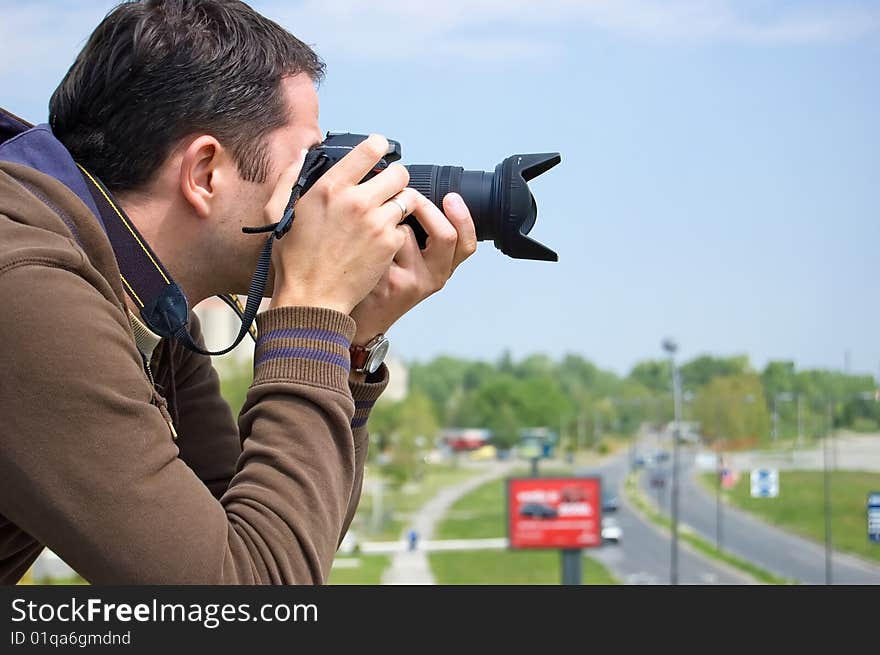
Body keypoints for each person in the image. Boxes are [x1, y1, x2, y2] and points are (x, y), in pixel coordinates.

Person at [0, 0, 476, 584]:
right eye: (307, 164)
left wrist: (351, 344)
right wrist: (311, 316)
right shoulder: (26, 288)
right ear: (204, 173)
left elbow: (269, 534)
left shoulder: (146, 296)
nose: (323, 193)